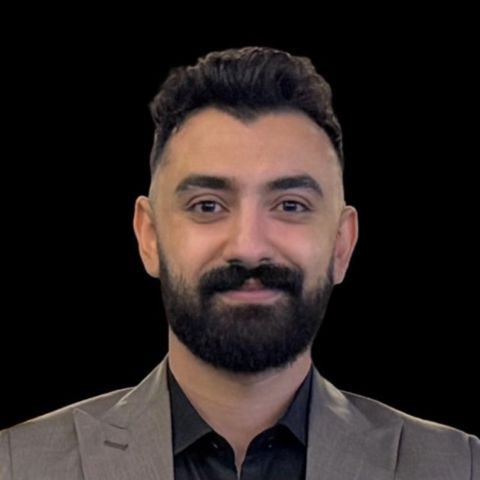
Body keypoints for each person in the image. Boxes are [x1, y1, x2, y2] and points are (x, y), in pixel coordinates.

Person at [0, 46, 478, 480]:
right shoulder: (17, 463)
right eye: (208, 205)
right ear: (149, 236)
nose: (249, 248)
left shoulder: (460, 465)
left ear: (341, 245)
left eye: (290, 205)